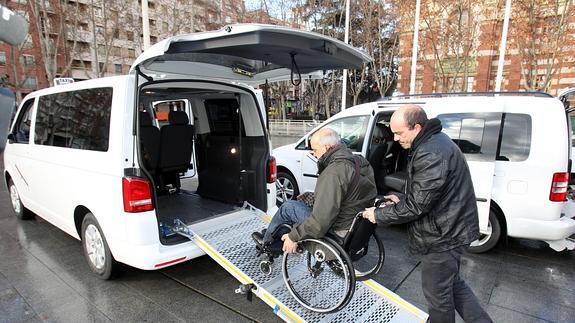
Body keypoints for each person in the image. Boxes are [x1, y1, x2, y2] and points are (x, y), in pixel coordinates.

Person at [362, 105, 492, 323]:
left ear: (417, 127)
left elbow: (418, 206)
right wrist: (401, 199)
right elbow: (428, 194)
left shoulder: (430, 151)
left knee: (438, 295)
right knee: (451, 285)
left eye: (399, 133)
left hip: (443, 236)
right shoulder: (433, 143)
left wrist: (378, 215)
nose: (395, 138)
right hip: (450, 228)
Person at [253, 127, 377, 254]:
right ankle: (276, 234)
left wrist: (294, 236)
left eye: (315, 149)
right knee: (303, 201)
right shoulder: (359, 161)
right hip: (352, 226)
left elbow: (320, 222)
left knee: (288, 207)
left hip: (336, 231)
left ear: (327, 147)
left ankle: (267, 242)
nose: (313, 153)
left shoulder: (333, 172)